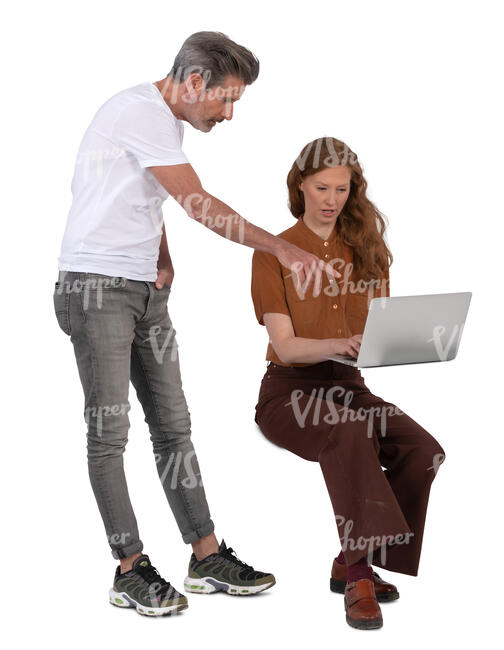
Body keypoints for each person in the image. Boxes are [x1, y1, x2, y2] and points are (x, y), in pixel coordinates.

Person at [53, 32, 338, 617]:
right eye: (225, 100)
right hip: (95, 290)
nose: (229, 114)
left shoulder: (161, 121)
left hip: (141, 289)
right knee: (110, 434)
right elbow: (198, 205)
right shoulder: (140, 111)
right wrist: (281, 251)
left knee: (174, 427)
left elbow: (135, 194)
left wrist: (159, 254)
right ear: (192, 83)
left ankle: (205, 555)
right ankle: (129, 568)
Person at [251, 136, 446, 630]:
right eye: (321, 187)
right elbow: (288, 346)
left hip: (350, 387)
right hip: (288, 392)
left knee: (422, 449)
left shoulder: (368, 251)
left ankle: (350, 558)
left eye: (342, 188)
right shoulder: (273, 252)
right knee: (348, 431)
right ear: (300, 184)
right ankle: (358, 575)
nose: (331, 199)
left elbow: (373, 339)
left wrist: (408, 342)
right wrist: (342, 343)